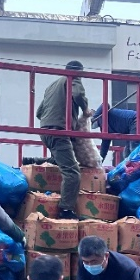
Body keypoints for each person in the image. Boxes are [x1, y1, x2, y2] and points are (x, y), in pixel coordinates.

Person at [36, 60, 91, 220]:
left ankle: (34, 161)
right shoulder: (73, 78)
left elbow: (39, 112)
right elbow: (78, 94)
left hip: (45, 130)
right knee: (73, 173)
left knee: (61, 160)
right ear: (79, 72)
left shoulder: (52, 86)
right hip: (59, 131)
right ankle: (66, 209)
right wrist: (85, 110)